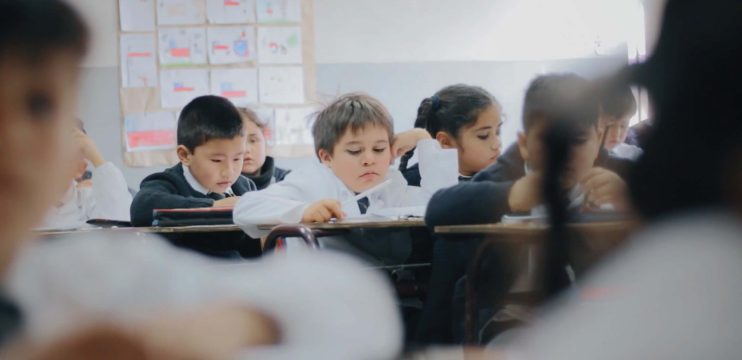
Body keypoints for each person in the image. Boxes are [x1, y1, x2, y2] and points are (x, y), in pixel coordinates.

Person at [130, 95, 257, 227]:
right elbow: (141, 207)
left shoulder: (244, 187)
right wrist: (214, 206)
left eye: (237, 158)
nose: (229, 172)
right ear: (185, 155)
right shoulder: (168, 184)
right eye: (217, 160)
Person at [400, 84, 503, 185]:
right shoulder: (411, 184)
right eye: (483, 135)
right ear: (445, 142)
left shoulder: (504, 178)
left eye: (497, 132)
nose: (497, 144)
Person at [238, 107, 290, 190]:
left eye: (253, 140)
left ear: (265, 141)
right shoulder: (220, 186)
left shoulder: (288, 180)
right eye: (239, 142)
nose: (246, 149)